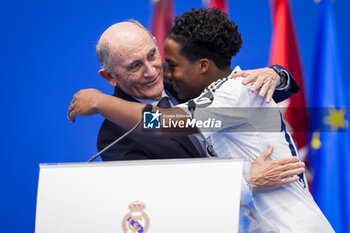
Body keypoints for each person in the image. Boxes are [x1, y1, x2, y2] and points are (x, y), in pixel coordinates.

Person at [68, 8, 334, 232]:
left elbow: (161, 123)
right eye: (134, 66)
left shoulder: (223, 92)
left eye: (155, 57)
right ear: (110, 77)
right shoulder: (114, 137)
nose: (155, 72)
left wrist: (99, 102)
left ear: (203, 65)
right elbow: (154, 203)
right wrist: (246, 180)